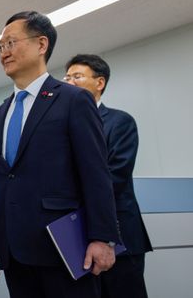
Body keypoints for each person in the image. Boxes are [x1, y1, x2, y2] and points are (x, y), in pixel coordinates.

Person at [0, 11, 120, 298]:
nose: (4, 52)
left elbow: (95, 172)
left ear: (41, 44)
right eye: (0, 46)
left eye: (11, 43)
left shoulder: (73, 100)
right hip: (14, 249)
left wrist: (102, 237)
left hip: (64, 247)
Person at [65, 54, 153, 298]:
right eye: (67, 77)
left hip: (119, 235)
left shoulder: (119, 122)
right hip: (75, 234)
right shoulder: (63, 127)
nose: (69, 82)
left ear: (100, 82)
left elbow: (115, 177)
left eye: (77, 76)